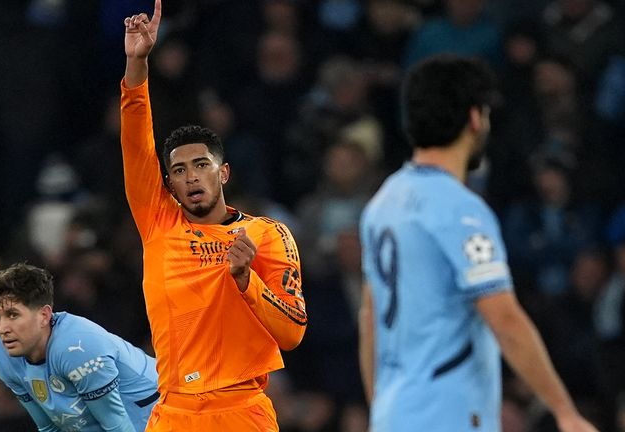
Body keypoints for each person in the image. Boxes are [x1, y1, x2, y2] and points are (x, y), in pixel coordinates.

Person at [358, 55, 598, 432]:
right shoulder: (460, 209)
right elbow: (503, 317)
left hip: (395, 411)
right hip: (448, 411)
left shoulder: (382, 203)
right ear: (474, 118)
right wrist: (564, 411)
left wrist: (383, 411)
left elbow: (370, 317)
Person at [120, 1, 307, 430]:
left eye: (201, 165)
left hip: (242, 409)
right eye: (179, 171)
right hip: (174, 411)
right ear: (168, 185)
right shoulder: (158, 223)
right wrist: (137, 64)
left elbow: (293, 333)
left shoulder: (267, 234)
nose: (191, 177)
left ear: (223, 172)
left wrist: (247, 281)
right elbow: (135, 142)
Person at [0, 263, 159, 432]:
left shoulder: (77, 347)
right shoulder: (1, 354)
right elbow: (49, 426)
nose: (2, 329)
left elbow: (116, 425)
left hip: (161, 411)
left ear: (44, 315)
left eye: (13, 315)